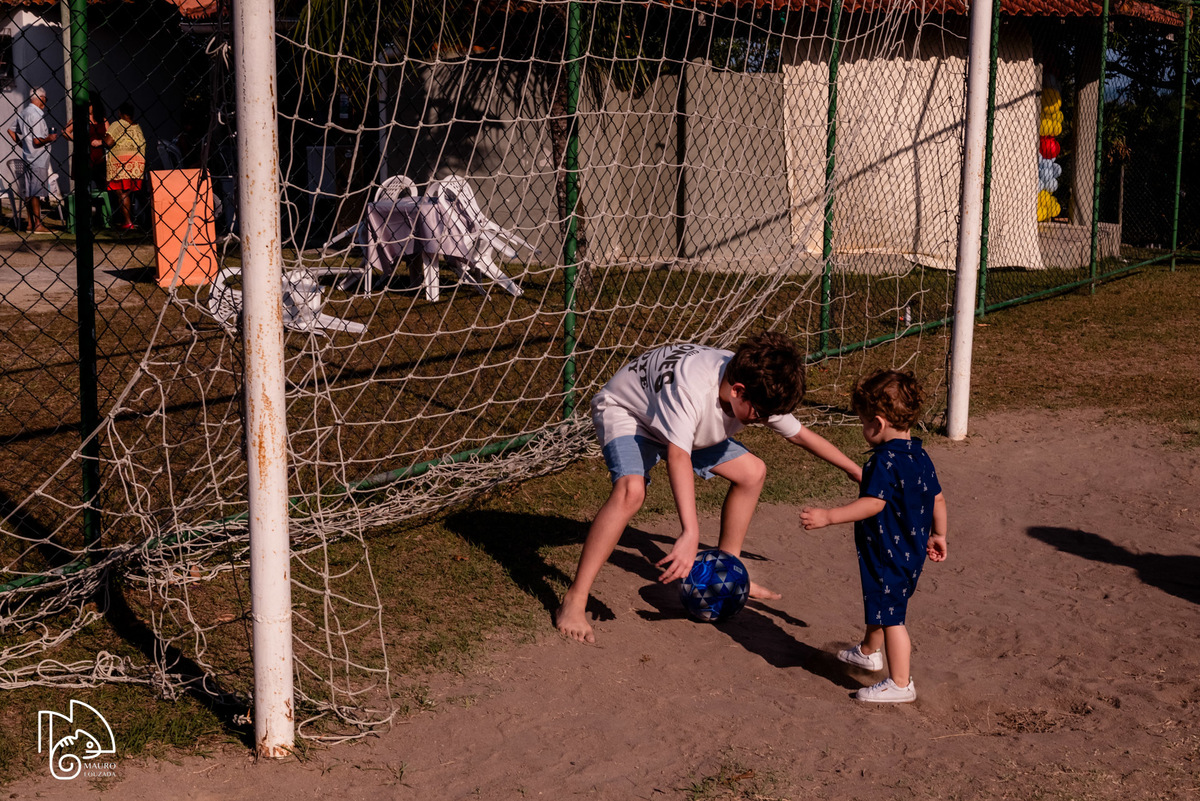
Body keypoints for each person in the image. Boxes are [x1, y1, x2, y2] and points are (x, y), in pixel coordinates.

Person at [555, 333, 863, 644]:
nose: (766, 421)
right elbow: (678, 455)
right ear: (738, 391)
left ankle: (725, 575)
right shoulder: (692, 390)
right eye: (761, 414)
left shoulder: (755, 383)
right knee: (631, 492)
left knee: (752, 472)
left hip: (681, 422)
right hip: (631, 413)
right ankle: (575, 599)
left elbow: (799, 436)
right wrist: (691, 533)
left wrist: (854, 470)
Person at [800, 369, 948, 703]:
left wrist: (828, 516)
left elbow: (873, 503)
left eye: (863, 421)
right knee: (883, 603)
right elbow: (938, 498)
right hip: (910, 551)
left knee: (892, 616)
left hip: (887, 552)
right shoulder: (920, 455)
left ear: (878, 424)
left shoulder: (884, 461)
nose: (863, 428)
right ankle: (868, 651)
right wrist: (940, 534)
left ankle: (900, 683)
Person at [13, 87, 59, 233]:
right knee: (37, 192)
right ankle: (38, 224)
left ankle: (30, 224)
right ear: (41, 98)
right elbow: (37, 141)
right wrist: (49, 138)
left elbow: (10, 129)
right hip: (38, 158)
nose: (45, 101)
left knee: (29, 191)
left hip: (28, 156)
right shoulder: (36, 116)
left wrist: (22, 145)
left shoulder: (23, 112)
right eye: (45, 98)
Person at [104, 102, 146, 231]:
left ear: (120, 113)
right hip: (137, 164)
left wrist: (101, 140)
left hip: (122, 164)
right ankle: (133, 220)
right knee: (130, 193)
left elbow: (108, 142)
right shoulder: (137, 127)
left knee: (122, 193)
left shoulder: (118, 124)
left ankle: (127, 221)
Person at [64, 97, 108, 189]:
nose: (87, 107)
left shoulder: (103, 120)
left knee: (102, 184)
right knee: (83, 185)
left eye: (89, 104)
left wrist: (100, 142)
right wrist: (78, 139)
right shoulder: (79, 119)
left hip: (99, 155)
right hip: (83, 154)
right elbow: (65, 131)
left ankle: (100, 202)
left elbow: (110, 136)